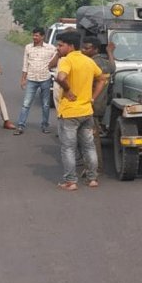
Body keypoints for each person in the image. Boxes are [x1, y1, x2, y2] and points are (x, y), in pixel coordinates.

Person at [54, 31, 106, 190]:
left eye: (61, 45)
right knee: (89, 146)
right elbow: (102, 78)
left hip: (70, 112)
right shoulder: (88, 61)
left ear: (70, 46)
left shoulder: (66, 61)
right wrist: (92, 97)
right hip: (86, 111)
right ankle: (92, 179)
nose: (58, 48)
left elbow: (61, 78)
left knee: (68, 148)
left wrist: (68, 91)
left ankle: (71, 181)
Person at [81, 37, 116, 173]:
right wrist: (110, 52)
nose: (84, 50)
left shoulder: (90, 64)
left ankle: (95, 167)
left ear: (95, 49)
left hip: (91, 105)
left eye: (87, 48)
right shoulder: (106, 63)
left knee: (91, 139)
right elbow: (113, 68)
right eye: (83, 47)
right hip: (101, 105)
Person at [15, 27, 57, 135]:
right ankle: (20, 125)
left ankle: (45, 125)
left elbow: (57, 61)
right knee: (26, 103)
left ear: (43, 37)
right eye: (33, 35)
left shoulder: (51, 48)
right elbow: (25, 64)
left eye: (37, 35)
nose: (34, 37)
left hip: (45, 78)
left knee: (46, 104)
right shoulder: (28, 47)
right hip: (32, 79)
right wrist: (23, 79)